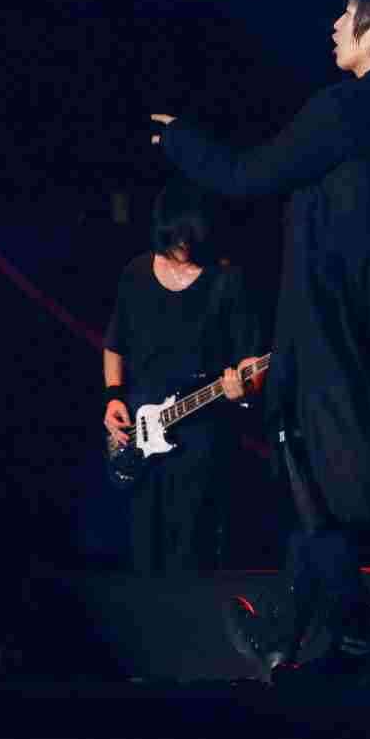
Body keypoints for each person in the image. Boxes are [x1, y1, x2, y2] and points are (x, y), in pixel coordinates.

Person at [151, 0, 370, 680]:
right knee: (330, 480)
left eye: (347, 15)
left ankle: (345, 634)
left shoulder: (347, 107)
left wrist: (180, 141)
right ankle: (307, 632)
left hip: (327, 327)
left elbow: (247, 176)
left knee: (313, 478)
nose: (334, 27)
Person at [103, 179, 264, 573]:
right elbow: (114, 344)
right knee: (142, 550)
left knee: (191, 550)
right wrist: (113, 397)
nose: (182, 248)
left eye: (189, 239)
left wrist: (242, 389)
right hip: (140, 430)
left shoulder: (227, 280)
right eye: (175, 239)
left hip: (200, 434)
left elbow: (252, 361)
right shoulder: (135, 273)